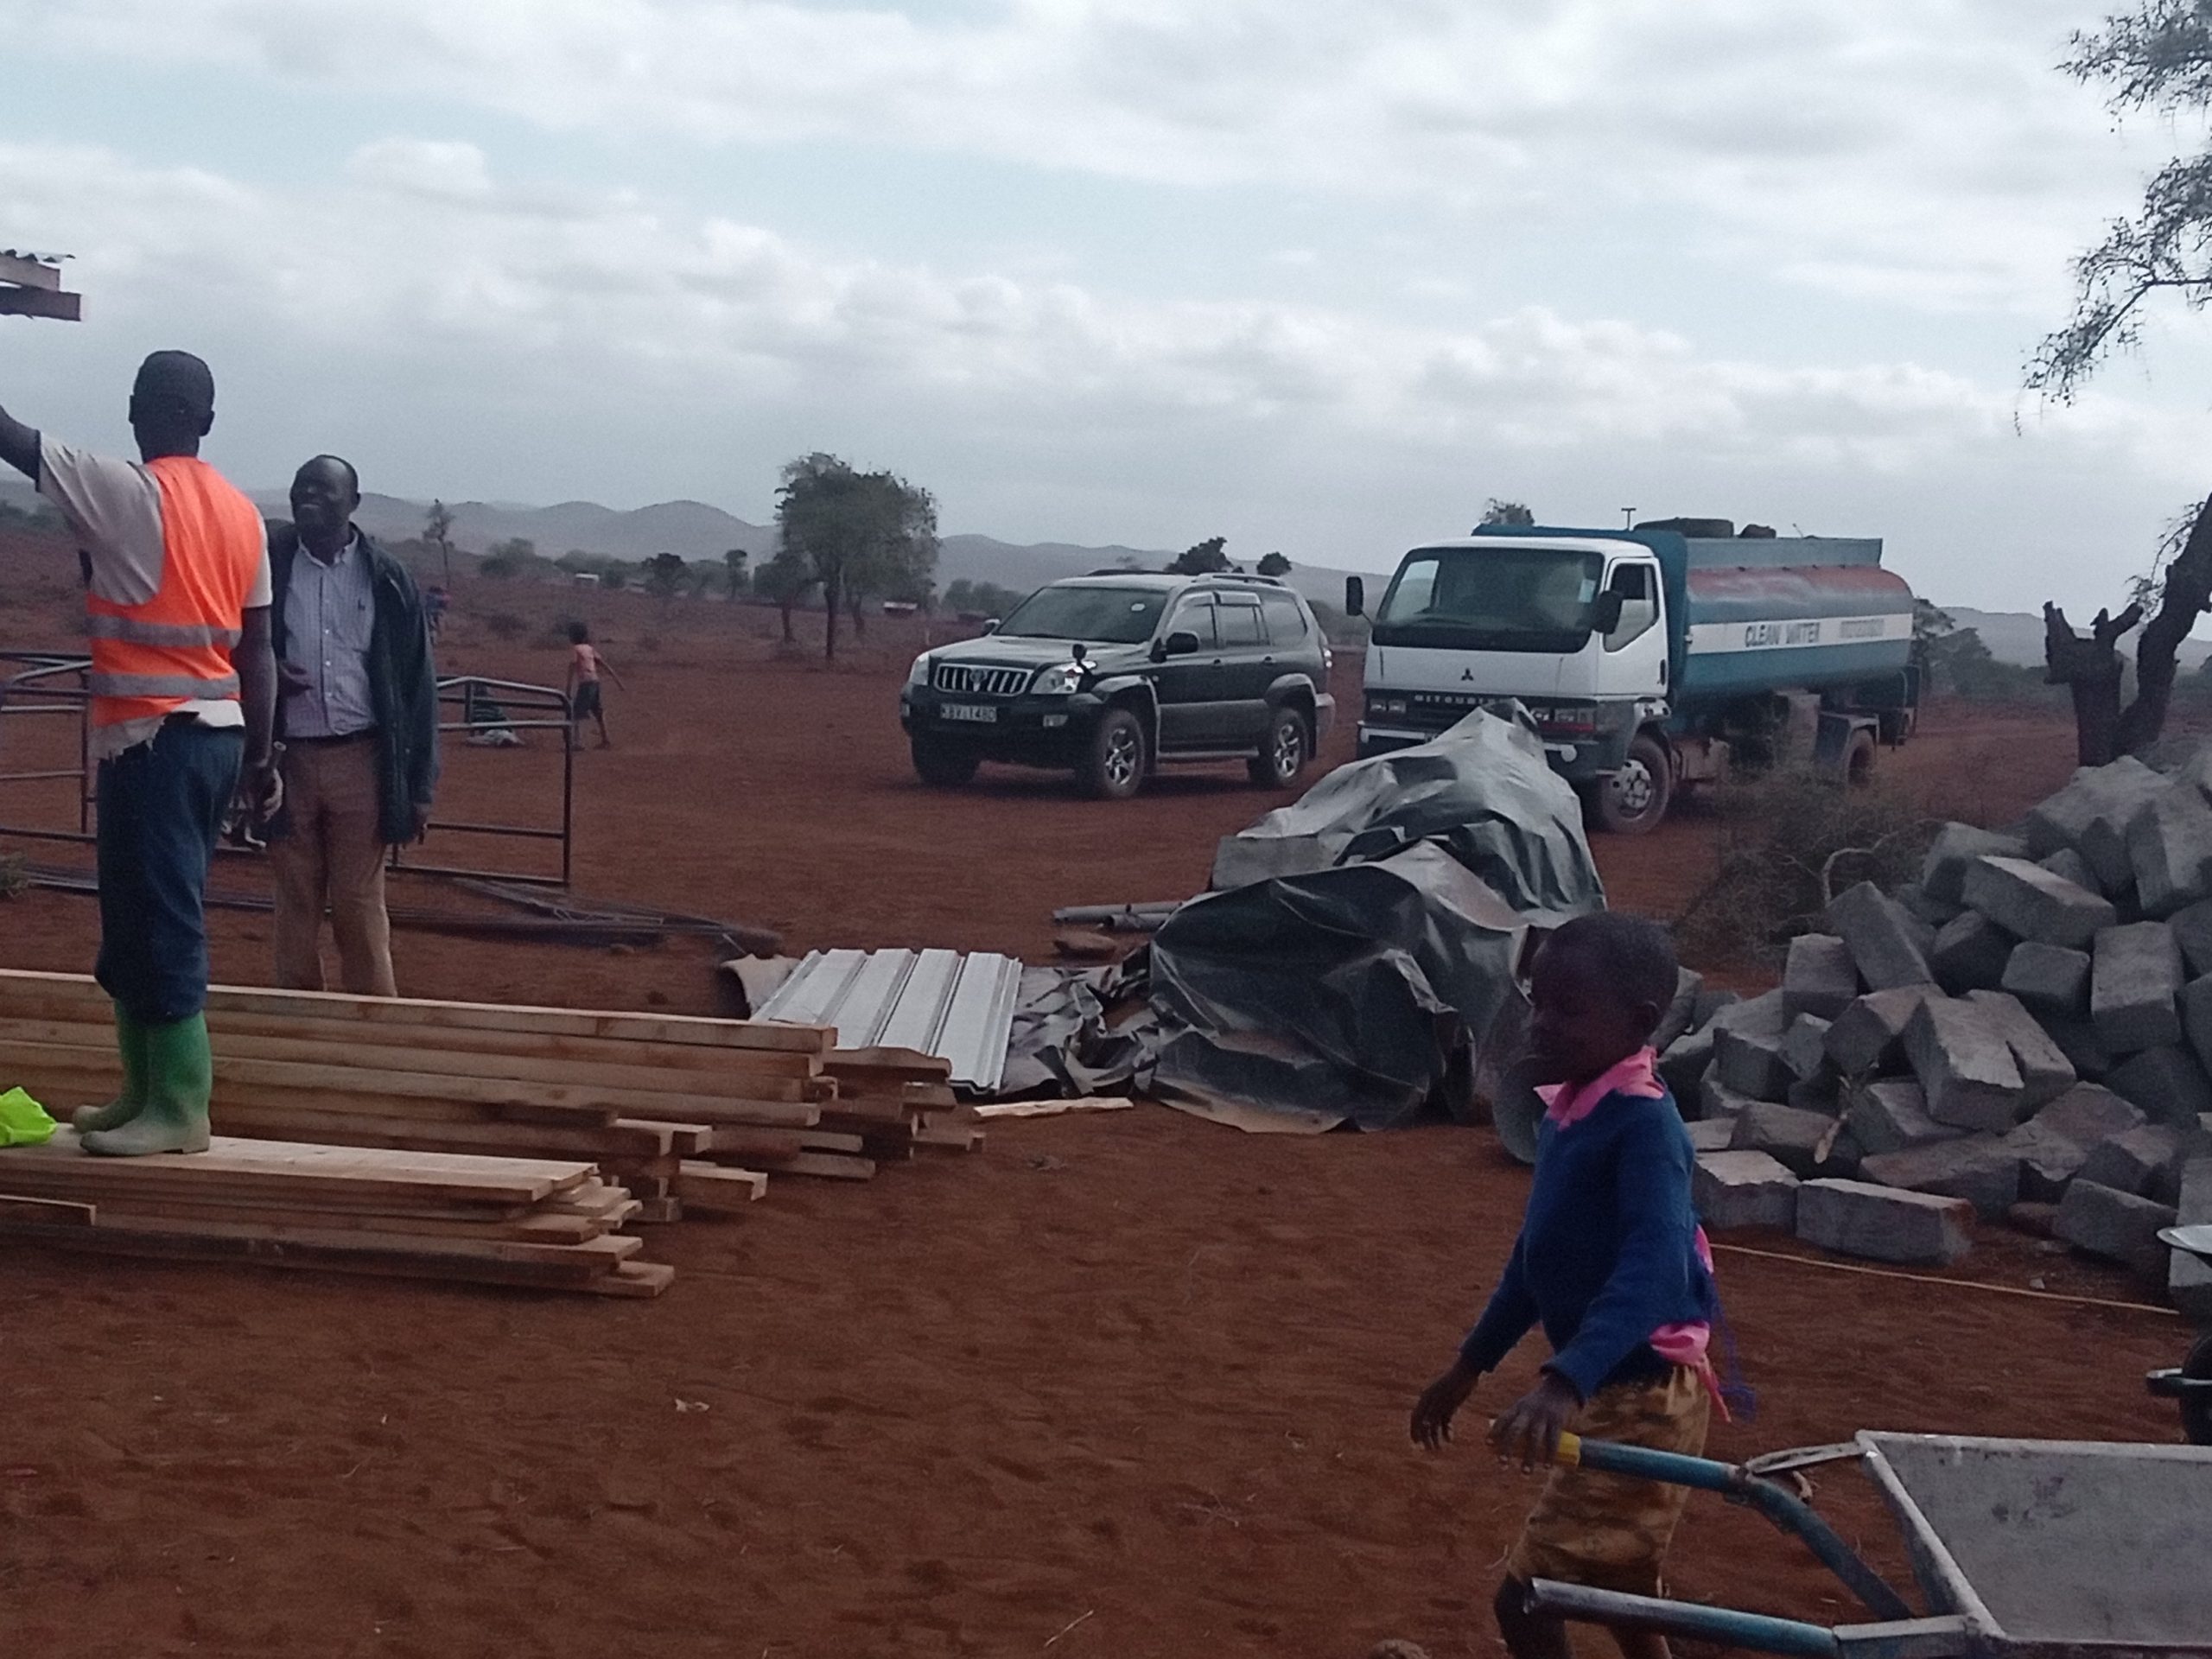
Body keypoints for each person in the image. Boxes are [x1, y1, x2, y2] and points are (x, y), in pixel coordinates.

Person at [1410, 912, 1726, 1659]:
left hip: (1644, 1393)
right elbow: (1535, 1261)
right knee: (1622, 1579)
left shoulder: (1645, 1129)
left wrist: (1563, 1382)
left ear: (1641, 1021)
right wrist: (1468, 1366)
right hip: (1614, 1383)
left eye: (1569, 1009)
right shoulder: (1571, 1112)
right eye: (1538, 1000)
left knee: (1526, 1597)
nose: (1542, 1023)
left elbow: (1656, 1269)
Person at [0, 352, 278, 1155]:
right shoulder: (241, 511)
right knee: (131, 922)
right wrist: (263, 757)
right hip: (208, 737)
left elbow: (14, 440)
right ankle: (141, 1093)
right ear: (209, 421)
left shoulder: (128, 493)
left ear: (134, 409)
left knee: (161, 920)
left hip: (160, 738)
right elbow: (258, 646)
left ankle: (182, 1108)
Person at [264, 455, 439, 997]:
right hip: (286, 759)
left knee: (359, 904)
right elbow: (228, 642)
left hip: (362, 761)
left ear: (353, 503)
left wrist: (419, 785)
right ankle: (300, 1022)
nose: (307, 496)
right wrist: (267, 672)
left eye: (323, 488)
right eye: (300, 487)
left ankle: (373, 1028)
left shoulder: (387, 577)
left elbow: (418, 685)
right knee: (294, 901)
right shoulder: (266, 565)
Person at [565, 620, 624, 748]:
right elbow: (605, 665)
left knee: (576, 713)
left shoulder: (576, 649)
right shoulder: (590, 649)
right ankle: (605, 739)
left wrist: (568, 687)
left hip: (586, 683)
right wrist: (618, 682)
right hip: (595, 682)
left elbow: (572, 666)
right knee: (598, 712)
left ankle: (577, 743)